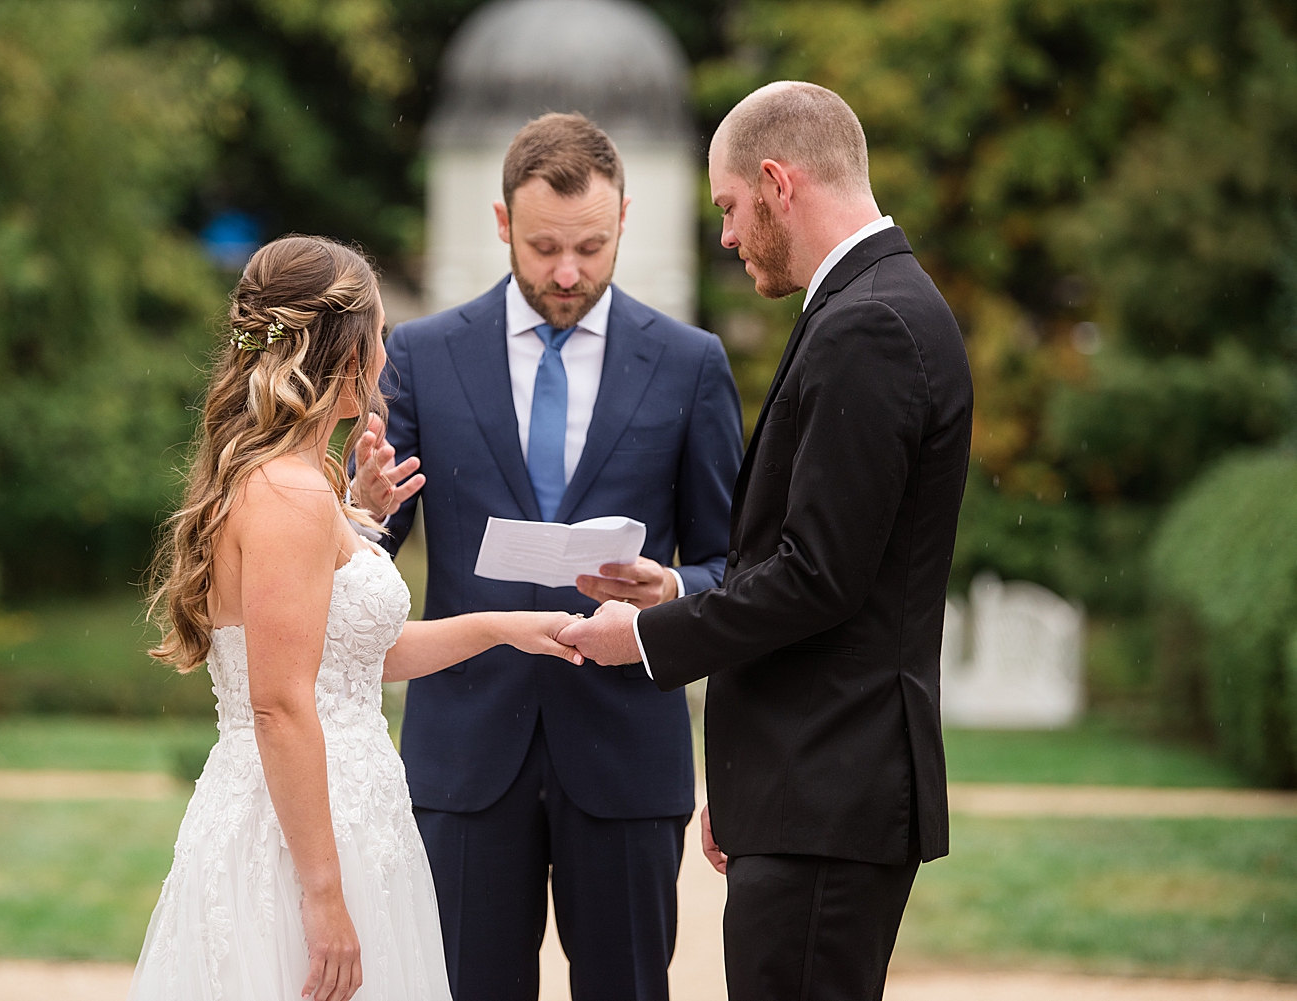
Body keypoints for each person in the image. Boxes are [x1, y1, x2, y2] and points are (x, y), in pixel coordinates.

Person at [560, 82, 975, 1000]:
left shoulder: (870, 323)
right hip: (810, 789)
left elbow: (819, 577)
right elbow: (826, 559)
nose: (727, 235)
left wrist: (640, 640)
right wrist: (677, 597)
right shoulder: (874, 305)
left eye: (731, 207)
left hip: (831, 795)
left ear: (778, 182)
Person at [349, 113, 744, 1001]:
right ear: (501, 224)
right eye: (543, 247)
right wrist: (359, 510)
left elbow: (737, 567)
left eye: (591, 247)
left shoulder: (692, 366)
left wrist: (672, 588)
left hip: (628, 753)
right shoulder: (418, 355)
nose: (568, 273)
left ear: (625, 221)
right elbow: (360, 559)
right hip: (464, 755)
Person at [130, 235, 584, 1001]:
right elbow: (279, 704)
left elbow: (350, 657)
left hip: (347, 815)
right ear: (344, 349)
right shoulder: (290, 494)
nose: (386, 353)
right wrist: (322, 892)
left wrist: (505, 625)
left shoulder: (306, 483)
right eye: (377, 333)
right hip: (297, 834)